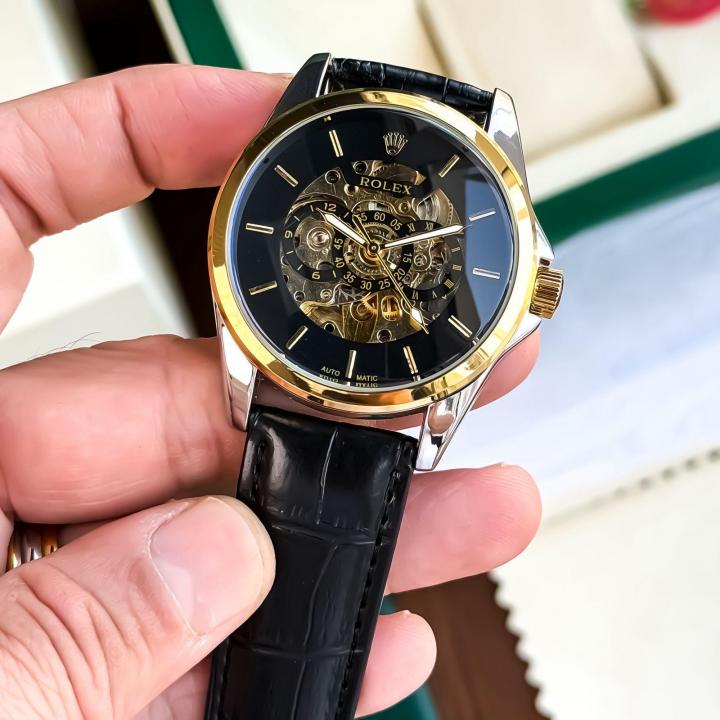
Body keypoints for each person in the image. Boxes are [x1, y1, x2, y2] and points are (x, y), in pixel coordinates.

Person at [0, 64, 541, 719]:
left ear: (531, 285)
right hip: (297, 367)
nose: (373, 253)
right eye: (352, 240)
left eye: (395, 246)